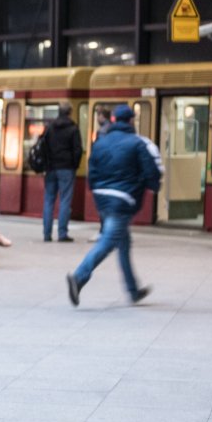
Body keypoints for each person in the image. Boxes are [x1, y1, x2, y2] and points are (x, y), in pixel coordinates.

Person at [66, 104, 159, 307]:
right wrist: (152, 186)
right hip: (122, 199)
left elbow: (93, 171)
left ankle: (133, 290)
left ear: (114, 120)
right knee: (109, 241)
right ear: (131, 121)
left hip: (102, 198)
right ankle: (79, 276)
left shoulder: (100, 142)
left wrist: (97, 190)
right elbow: (151, 172)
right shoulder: (137, 143)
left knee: (123, 243)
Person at [40, 102, 82, 242]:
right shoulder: (73, 128)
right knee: (65, 200)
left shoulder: (50, 128)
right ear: (69, 112)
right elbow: (77, 150)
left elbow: (43, 146)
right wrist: (74, 166)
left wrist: (46, 164)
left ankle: (47, 234)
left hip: (51, 168)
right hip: (66, 168)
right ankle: (62, 233)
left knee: (48, 200)